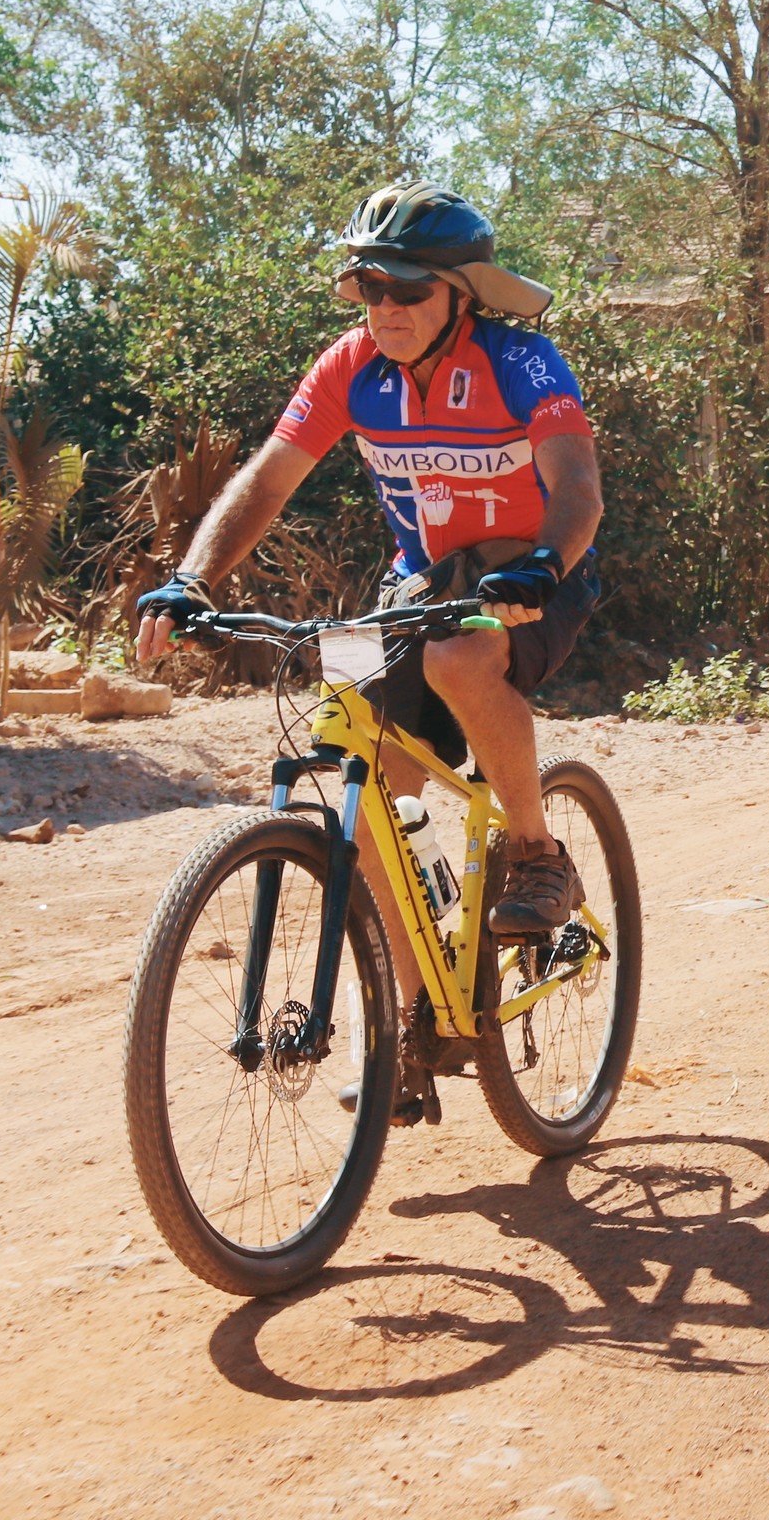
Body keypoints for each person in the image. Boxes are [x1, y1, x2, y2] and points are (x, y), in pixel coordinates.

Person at [133, 181, 604, 962]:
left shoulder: (520, 358)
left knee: (459, 659)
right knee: (359, 756)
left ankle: (535, 853)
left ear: (460, 297)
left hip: (535, 571)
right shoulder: (350, 366)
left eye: (406, 289)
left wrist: (547, 565)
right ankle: (415, 1022)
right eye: (367, 286)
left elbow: (578, 486)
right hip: (419, 581)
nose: (383, 306)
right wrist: (193, 580)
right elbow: (267, 482)